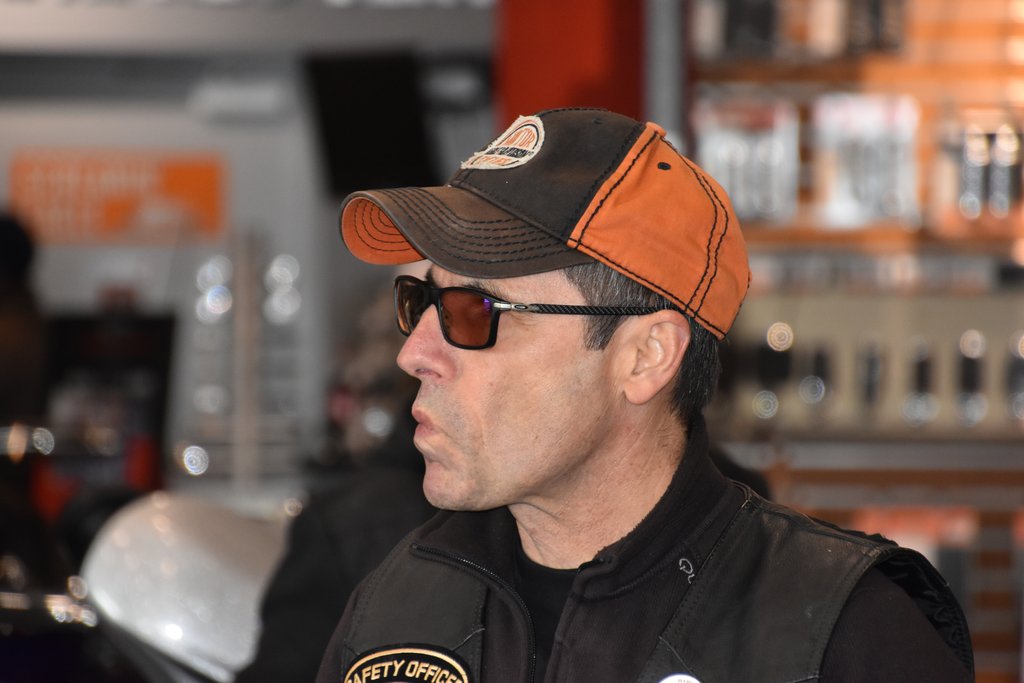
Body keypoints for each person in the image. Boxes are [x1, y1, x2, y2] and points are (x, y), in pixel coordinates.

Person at [315, 108, 973, 682]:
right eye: (420, 300)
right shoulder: (396, 610)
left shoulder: (843, 636)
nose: (414, 353)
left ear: (646, 356)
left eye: (472, 310)